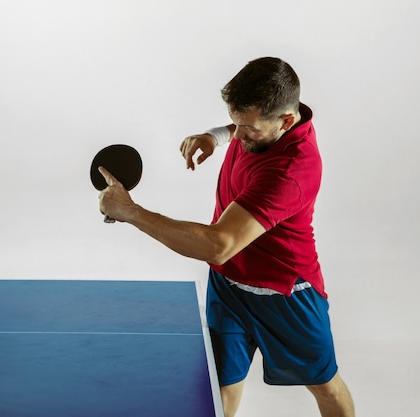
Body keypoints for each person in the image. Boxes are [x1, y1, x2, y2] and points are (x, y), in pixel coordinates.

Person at [98, 57, 355, 417]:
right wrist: (215, 136)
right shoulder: (266, 127)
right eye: (235, 123)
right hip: (229, 289)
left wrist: (131, 212)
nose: (240, 134)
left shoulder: (291, 170)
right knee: (218, 393)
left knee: (326, 385)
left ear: (286, 120)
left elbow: (218, 246)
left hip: (285, 293)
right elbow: (244, 127)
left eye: (246, 128)